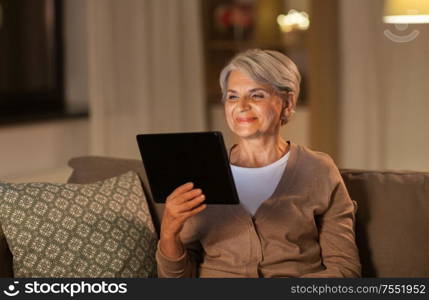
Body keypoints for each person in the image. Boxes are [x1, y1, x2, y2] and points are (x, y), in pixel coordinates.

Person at [156, 49, 361, 278]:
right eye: (232, 96)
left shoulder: (318, 169)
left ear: (287, 102)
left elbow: (344, 269)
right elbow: (176, 280)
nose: (241, 106)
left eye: (257, 95)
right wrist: (169, 233)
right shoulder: (199, 169)